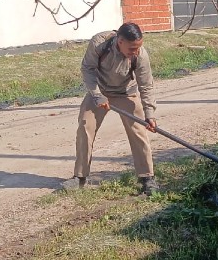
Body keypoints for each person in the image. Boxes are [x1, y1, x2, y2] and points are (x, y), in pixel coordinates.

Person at [65, 22, 160, 196]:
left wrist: (150, 114)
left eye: (138, 47)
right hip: (100, 92)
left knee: (138, 131)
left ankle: (147, 178)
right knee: (85, 126)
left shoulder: (141, 55)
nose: (136, 52)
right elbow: (87, 69)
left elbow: (146, 85)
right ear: (120, 41)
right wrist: (96, 95)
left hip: (126, 93)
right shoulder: (99, 43)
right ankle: (79, 177)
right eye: (132, 48)